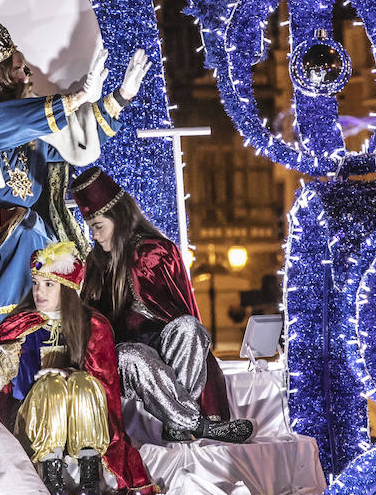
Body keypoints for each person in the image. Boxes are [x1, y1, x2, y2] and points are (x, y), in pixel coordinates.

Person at [0, 22, 151, 322]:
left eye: (25, 68)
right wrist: (76, 98)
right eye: (19, 69)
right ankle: (11, 326)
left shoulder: (32, 120)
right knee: (27, 234)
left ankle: (49, 329)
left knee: (55, 251)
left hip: (25, 226)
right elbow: (5, 123)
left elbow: (71, 143)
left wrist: (119, 98)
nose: (28, 75)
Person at [74, 167, 254, 444]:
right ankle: (197, 424)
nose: (95, 236)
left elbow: (184, 311)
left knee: (189, 327)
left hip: (169, 354)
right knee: (132, 356)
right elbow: (93, 322)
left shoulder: (156, 252)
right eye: (92, 229)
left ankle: (176, 426)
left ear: (118, 219)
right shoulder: (96, 264)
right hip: (128, 360)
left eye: (99, 226)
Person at [0, 241, 152, 495]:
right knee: (51, 387)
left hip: (82, 424)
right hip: (32, 421)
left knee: (84, 384)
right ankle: (52, 478)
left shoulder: (93, 325)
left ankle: (89, 476)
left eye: (49, 284)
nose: (39, 292)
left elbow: (106, 388)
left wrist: (72, 375)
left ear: (68, 288)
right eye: (36, 283)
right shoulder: (19, 325)